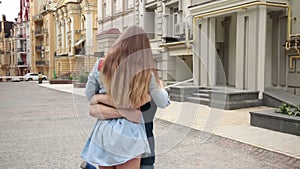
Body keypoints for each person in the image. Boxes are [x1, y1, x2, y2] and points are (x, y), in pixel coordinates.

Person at [81, 25, 170, 169]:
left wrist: (100, 98)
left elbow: (89, 94)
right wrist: (161, 86)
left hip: (103, 131)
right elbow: (161, 101)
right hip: (130, 132)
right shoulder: (146, 71)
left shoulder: (101, 65)